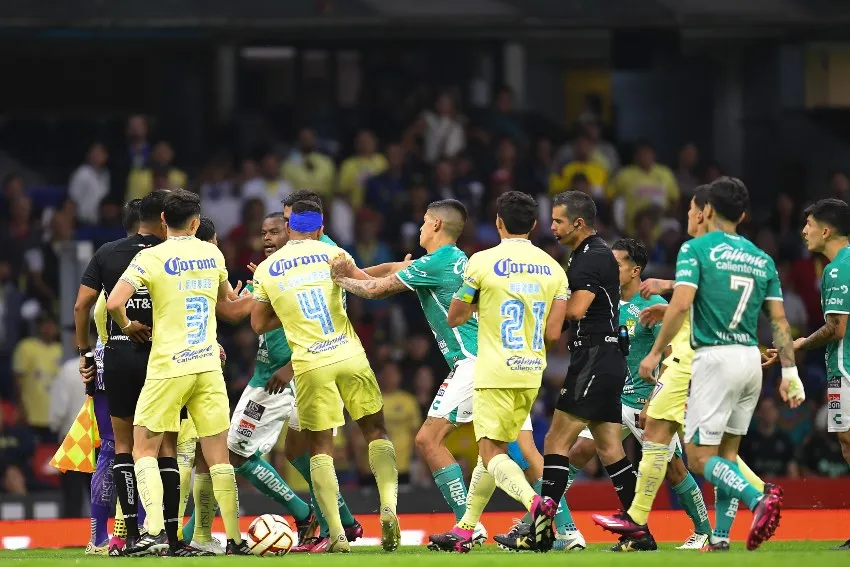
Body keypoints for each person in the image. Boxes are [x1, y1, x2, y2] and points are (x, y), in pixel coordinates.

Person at [332, 198, 583, 551]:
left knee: (429, 440)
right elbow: (392, 269)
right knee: (522, 450)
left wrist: (339, 280)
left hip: (474, 364)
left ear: (436, 224)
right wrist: (354, 270)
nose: (420, 228)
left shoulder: (440, 262)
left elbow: (376, 289)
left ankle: (479, 521)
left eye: (423, 221)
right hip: (513, 362)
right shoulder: (454, 260)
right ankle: (568, 531)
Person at [594, 177, 801, 551]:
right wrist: (790, 371)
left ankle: (758, 497)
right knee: (725, 454)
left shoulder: (696, 249)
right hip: (747, 361)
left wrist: (656, 350)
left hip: (709, 359)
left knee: (698, 456)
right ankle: (718, 536)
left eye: (691, 208)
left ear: (705, 211)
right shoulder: (762, 258)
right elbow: (779, 320)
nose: (689, 214)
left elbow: (684, 304)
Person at [106, 190, 254, 556]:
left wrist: (127, 325)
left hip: (169, 367)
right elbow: (230, 309)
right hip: (208, 365)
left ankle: (155, 532)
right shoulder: (212, 254)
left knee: (143, 447)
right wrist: (257, 294)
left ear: (162, 221)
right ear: (195, 223)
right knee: (218, 457)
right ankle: (235, 540)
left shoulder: (150, 257)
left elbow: (113, 302)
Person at [251, 199, 399, 553]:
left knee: (320, 448)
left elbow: (257, 324)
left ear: (289, 228)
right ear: (320, 229)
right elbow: (371, 288)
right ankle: (389, 506)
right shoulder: (334, 254)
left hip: (310, 365)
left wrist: (288, 307)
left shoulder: (267, 269)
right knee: (375, 431)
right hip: (349, 355)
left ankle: (336, 534)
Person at [426, 191, 566, 553]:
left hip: (494, 370)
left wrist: (484, 308)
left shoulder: (482, 261)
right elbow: (554, 334)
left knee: (490, 452)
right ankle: (466, 528)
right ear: (534, 224)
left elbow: (454, 316)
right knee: (493, 450)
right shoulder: (554, 268)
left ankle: (537, 505)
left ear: (499, 222)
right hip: (531, 371)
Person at [565, 238, 712, 551]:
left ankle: (704, 532)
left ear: (635, 271)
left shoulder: (653, 306)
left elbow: (671, 358)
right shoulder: (606, 302)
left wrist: (653, 402)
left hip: (646, 400)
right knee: (579, 451)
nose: (609, 269)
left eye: (616, 264)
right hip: (614, 400)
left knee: (674, 470)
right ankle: (551, 519)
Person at [73, 190, 171, 555]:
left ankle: (104, 536)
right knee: (158, 449)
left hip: (109, 360)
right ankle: (151, 530)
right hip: (162, 360)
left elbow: (83, 307)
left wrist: (85, 354)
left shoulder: (108, 261)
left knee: (114, 449)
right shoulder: (167, 257)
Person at [538, 191, 635, 552]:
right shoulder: (586, 254)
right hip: (606, 356)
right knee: (609, 447)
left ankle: (540, 531)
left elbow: (576, 310)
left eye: (558, 221)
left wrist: (540, 312)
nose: (552, 227)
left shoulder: (591, 257)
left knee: (555, 442)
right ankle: (639, 529)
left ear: (578, 223)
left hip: (594, 355)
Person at [771, 197, 850, 550]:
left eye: (809, 225)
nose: (804, 231)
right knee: (846, 442)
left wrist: (799, 343)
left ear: (827, 230)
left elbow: (836, 328)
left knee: (848, 439)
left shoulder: (837, 269)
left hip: (846, 367)